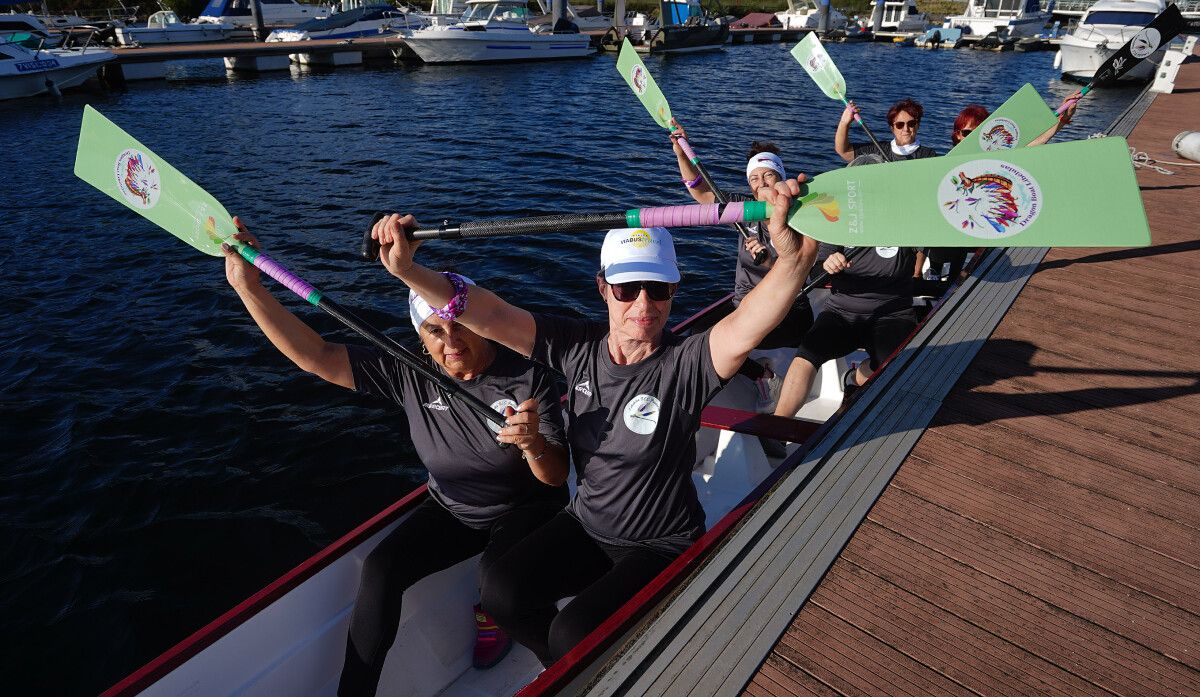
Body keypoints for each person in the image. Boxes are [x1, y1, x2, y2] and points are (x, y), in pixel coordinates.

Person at [368, 176, 816, 666]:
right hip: (588, 526)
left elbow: (751, 319)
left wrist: (793, 256)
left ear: (673, 290)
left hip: (660, 545)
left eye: (658, 289)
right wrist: (410, 271)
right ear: (603, 288)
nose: (643, 305)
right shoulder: (575, 346)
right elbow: (489, 315)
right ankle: (580, 676)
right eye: (626, 289)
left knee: (571, 633)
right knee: (501, 592)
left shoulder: (687, 364)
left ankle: (583, 669)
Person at [219, 218, 570, 697]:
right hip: (452, 509)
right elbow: (316, 354)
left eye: (459, 326)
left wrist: (532, 445)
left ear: (481, 324)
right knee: (381, 571)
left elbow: (555, 479)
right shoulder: (411, 372)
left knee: (497, 583)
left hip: (529, 508)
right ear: (419, 339)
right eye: (433, 332)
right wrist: (247, 287)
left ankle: (571, 665)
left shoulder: (527, 374)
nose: (451, 343)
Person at [772, 239, 921, 418]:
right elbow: (817, 272)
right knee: (806, 355)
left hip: (893, 314)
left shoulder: (909, 222)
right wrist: (828, 265)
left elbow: (930, 259)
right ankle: (779, 423)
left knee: (892, 368)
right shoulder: (844, 221)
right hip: (841, 311)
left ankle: (853, 379)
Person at [835, 97, 939, 163]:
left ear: (918, 125)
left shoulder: (928, 156)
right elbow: (844, 152)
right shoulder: (878, 150)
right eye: (900, 125)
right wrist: (844, 122)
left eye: (911, 124)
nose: (906, 129)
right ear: (892, 128)